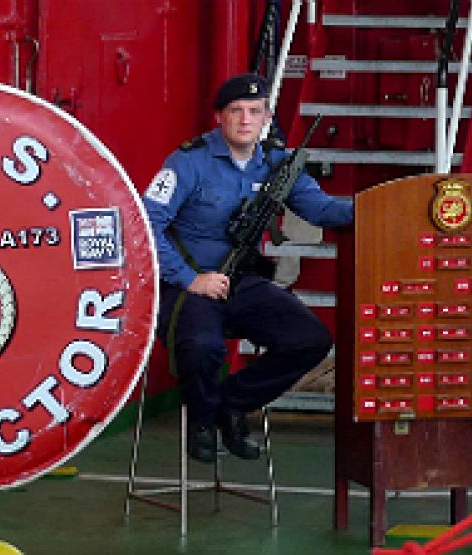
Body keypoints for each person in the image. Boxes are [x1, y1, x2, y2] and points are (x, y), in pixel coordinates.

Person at [142, 73, 353, 463]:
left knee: (309, 339)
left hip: (243, 281)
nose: (245, 120)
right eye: (236, 111)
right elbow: (145, 221)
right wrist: (190, 279)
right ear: (219, 117)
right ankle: (202, 422)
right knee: (204, 347)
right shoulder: (189, 162)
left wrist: (379, 208)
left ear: (266, 118)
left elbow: (322, 209)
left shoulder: (276, 164)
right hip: (190, 284)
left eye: (254, 112)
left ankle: (229, 405)